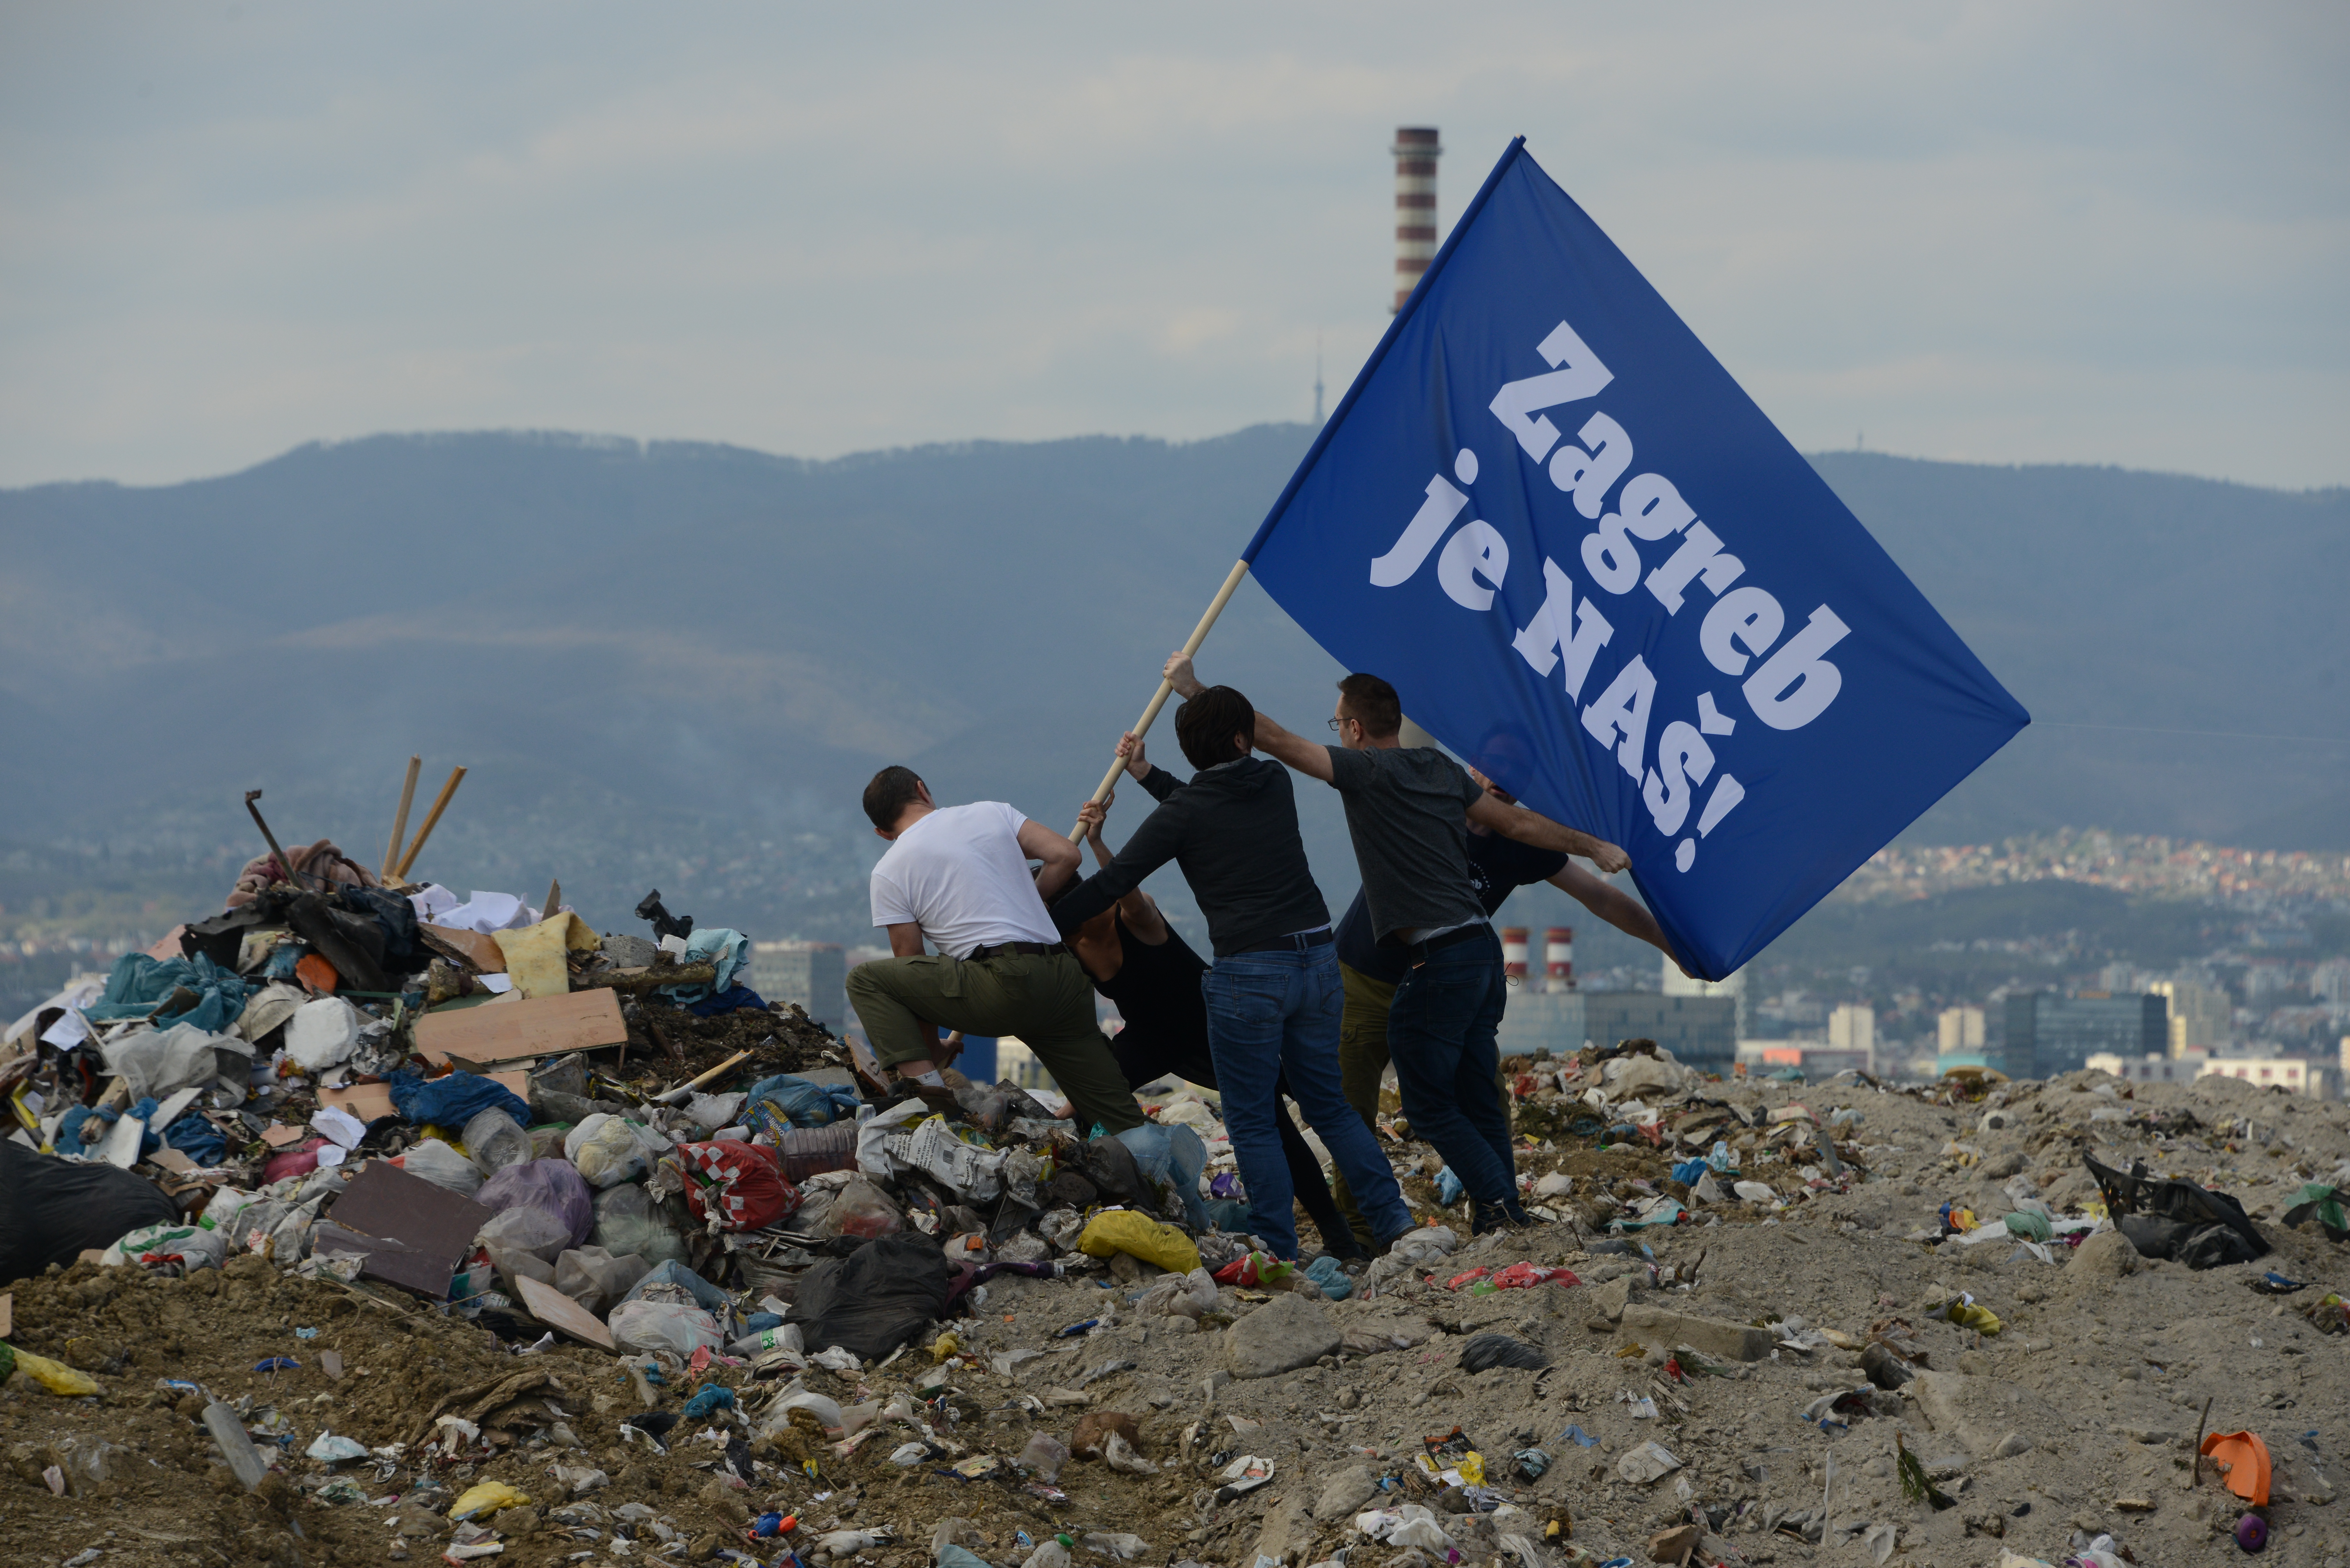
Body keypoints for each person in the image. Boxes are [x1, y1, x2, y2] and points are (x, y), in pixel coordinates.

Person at [1163, 653, 1628, 1235]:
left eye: (1338, 724)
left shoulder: (1363, 771)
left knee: (1426, 1105)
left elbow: (1277, 739)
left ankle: (1493, 1207)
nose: (1337, 732)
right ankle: (1498, 1211)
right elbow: (1521, 824)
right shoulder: (1439, 767)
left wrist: (1195, 691)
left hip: (1438, 960)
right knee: (1477, 1094)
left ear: (1356, 728)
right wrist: (1594, 846)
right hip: (1482, 955)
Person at [1046, 685, 1416, 1260]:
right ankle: (1397, 1224)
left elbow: (1118, 880)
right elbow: (1206, 805)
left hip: (1251, 972)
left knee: (1253, 1122)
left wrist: (1035, 923)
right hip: (1318, 958)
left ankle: (1277, 1246)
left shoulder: (1184, 813)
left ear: (1190, 749)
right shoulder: (1274, 779)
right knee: (1330, 1107)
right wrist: (1145, 774)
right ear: (1243, 740)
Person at [1326, 762, 1686, 1245]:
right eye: (1492, 768)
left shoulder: (1522, 840)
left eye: (1515, 773)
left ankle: (1498, 1215)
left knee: (1486, 1097)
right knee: (1353, 1106)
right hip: (1367, 975)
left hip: (1445, 984)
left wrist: (1673, 947)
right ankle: (1360, 1232)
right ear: (1470, 768)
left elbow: (1601, 898)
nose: (1502, 780)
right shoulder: (1431, 806)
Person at [1065, 795, 1365, 1260]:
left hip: (1214, 1024)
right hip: (1151, 1036)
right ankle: (1107, 1203)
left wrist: (1098, 842)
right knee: (1088, 1100)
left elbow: (1127, 890)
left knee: (1277, 1124)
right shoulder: (1073, 945)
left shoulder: (1134, 917)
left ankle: (1339, 1235)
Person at [843, 765, 1143, 1136]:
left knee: (866, 980)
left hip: (1002, 986)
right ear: (922, 791)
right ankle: (1164, 1165)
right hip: (1063, 978)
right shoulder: (991, 812)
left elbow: (911, 964)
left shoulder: (889, 870)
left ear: (882, 832)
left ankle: (933, 1101)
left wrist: (932, 1049)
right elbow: (1066, 855)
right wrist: (1026, 900)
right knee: (1120, 1118)